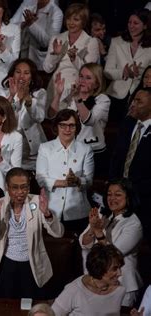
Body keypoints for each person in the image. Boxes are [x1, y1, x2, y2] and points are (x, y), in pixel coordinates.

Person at [0, 167, 64, 299]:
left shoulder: (37, 203)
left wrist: (47, 214)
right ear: (7, 187)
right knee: (5, 307)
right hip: (6, 265)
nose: (20, 192)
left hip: (32, 265)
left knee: (29, 307)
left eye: (24, 187)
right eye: (15, 187)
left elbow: (58, 234)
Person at [79, 179, 143, 307]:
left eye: (118, 194)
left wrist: (99, 232)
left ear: (128, 197)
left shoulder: (133, 223)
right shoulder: (102, 215)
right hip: (95, 282)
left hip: (122, 283)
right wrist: (92, 228)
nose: (112, 198)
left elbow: (113, 256)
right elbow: (84, 243)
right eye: (109, 194)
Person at [36, 109, 94, 232]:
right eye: (63, 125)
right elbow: (41, 179)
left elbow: (88, 182)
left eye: (71, 125)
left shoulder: (86, 150)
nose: (67, 129)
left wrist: (77, 180)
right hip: (51, 210)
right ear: (57, 126)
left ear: (77, 127)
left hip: (78, 212)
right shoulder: (45, 148)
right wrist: (65, 183)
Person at [49, 63, 110, 177]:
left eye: (88, 78)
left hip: (93, 152)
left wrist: (78, 99)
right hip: (69, 150)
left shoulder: (102, 100)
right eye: (81, 76)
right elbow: (52, 116)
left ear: (97, 84)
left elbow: (89, 120)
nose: (82, 80)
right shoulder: (69, 93)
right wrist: (57, 94)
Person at [109, 87, 151, 243]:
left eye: (139, 101)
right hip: (121, 198)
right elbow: (116, 157)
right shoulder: (128, 123)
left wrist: (132, 190)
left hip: (145, 200)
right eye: (133, 100)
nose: (132, 104)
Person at [43, 3, 99, 104]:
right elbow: (47, 69)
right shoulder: (56, 39)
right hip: (56, 85)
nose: (71, 23)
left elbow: (90, 73)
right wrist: (55, 55)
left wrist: (75, 59)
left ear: (84, 22)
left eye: (76, 19)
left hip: (76, 88)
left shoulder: (91, 42)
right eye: (68, 19)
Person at [0, 58, 46, 171]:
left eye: (26, 73)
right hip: (11, 149)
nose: (21, 76)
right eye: (18, 72)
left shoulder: (40, 93)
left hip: (34, 150)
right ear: (12, 74)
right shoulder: (2, 92)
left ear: (32, 77)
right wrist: (12, 97)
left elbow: (39, 117)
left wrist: (28, 101)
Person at [52, 243, 126, 316]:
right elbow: (52, 314)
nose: (120, 273)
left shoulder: (120, 289)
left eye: (120, 268)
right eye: (114, 269)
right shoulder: (74, 290)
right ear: (99, 268)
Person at [104, 9, 151, 122]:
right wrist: (124, 73)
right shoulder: (116, 42)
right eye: (129, 22)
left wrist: (138, 74)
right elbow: (107, 71)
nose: (131, 26)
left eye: (136, 23)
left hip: (139, 95)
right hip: (115, 94)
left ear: (145, 26)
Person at [10, 0, 63, 72]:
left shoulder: (57, 13)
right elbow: (11, 25)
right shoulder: (28, 2)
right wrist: (23, 24)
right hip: (19, 56)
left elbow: (47, 42)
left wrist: (32, 24)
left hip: (39, 65)